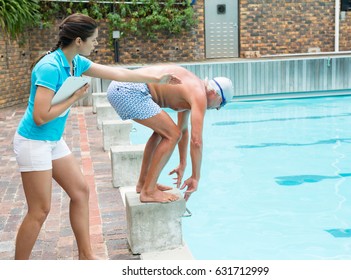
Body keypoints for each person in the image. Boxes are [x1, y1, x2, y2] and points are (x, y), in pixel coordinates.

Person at [12, 13, 181, 260]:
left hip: (53, 140)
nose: (97, 44)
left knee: (80, 192)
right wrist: (73, 98)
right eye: (94, 39)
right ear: (79, 40)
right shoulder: (49, 67)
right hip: (33, 141)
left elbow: (118, 74)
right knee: (39, 210)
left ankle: (86, 256)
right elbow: (40, 116)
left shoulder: (75, 62)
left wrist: (155, 78)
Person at [106, 65, 234, 203]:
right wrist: (195, 177)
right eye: (221, 104)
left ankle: (143, 183)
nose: (218, 109)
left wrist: (182, 163)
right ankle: (148, 191)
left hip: (120, 86)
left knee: (163, 133)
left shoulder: (192, 89)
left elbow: (183, 130)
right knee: (171, 134)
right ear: (215, 93)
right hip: (128, 90)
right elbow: (196, 141)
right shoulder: (199, 94)